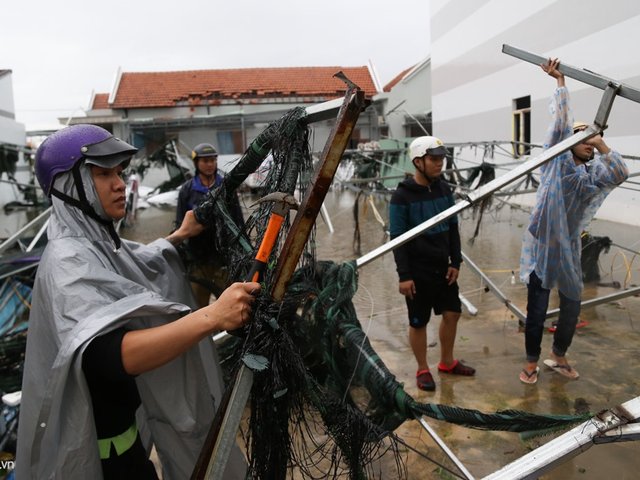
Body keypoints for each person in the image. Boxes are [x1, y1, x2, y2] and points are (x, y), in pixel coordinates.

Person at [15, 125, 260, 479]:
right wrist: (212, 317)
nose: (119, 184)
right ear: (69, 186)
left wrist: (178, 235)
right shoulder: (67, 261)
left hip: (127, 448)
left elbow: (135, 260)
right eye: (104, 174)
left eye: (119, 173)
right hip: (103, 464)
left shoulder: (95, 243)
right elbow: (113, 356)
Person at [519, 59, 628, 384]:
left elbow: (619, 172)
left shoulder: (590, 177)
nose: (589, 143)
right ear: (568, 140)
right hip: (542, 247)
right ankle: (530, 362)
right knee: (537, 310)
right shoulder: (556, 163)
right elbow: (560, 125)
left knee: (572, 306)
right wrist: (561, 83)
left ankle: (559, 355)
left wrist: (600, 142)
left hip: (567, 248)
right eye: (583, 138)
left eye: (592, 140)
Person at [389, 136, 475, 392]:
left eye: (441, 159)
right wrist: (404, 276)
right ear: (418, 162)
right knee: (419, 322)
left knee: (452, 313)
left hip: (443, 268)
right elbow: (397, 238)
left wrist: (455, 261)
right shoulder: (402, 196)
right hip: (417, 272)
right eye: (434, 159)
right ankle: (422, 368)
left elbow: (453, 227)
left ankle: (447, 362)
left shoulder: (443, 189)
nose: (440, 164)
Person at [176, 143, 244, 308]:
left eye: (213, 160)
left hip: (224, 259)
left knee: (230, 306)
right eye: (205, 161)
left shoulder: (226, 187)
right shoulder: (187, 190)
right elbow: (180, 225)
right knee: (198, 308)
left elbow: (238, 220)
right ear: (196, 163)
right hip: (198, 260)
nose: (210, 164)